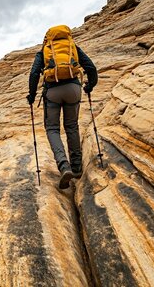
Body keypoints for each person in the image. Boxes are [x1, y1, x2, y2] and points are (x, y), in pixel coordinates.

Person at [27, 25, 98, 189]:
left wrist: (31, 96)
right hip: (73, 89)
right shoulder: (72, 48)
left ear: (47, 39)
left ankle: (64, 166)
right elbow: (91, 68)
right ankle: (77, 168)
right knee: (72, 126)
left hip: (53, 92)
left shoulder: (44, 51)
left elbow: (33, 74)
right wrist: (89, 86)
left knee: (52, 128)